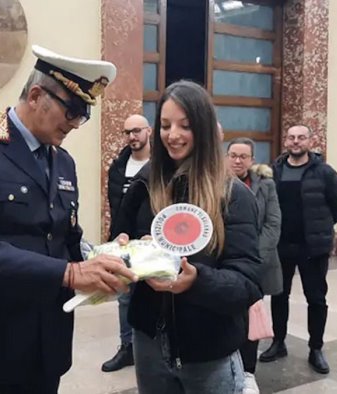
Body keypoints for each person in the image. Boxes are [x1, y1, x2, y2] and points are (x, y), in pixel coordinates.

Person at [0, 45, 137, 394]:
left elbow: (65, 237)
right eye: (71, 111)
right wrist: (69, 273)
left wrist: (106, 257)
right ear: (37, 95)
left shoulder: (63, 161)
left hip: (44, 345)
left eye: (82, 115)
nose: (75, 123)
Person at [112, 80, 263, 394]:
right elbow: (120, 240)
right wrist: (125, 255)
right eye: (165, 125)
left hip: (208, 349)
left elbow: (248, 284)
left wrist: (197, 281)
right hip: (148, 342)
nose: (173, 135)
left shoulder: (232, 195)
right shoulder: (144, 185)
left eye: (185, 125)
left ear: (205, 129)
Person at [259, 124, 337, 375]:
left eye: (301, 137)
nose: (296, 142)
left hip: (312, 248)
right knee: (278, 295)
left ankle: (315, 348)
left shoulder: (325, 173)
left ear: (310, 141)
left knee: (316, 298)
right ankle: (278, 342)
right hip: (281, 246)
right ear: (286, 141)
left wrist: (319, 230)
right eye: (291, 137)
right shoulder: (273, 172)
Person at [227, 137, 282, 394]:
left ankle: (248, 371)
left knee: (250, 318)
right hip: (223, 262)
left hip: (254, 264)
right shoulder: (215, 183)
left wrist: (251, 256)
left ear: (252, 160)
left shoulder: (266, 186)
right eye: (233, 155)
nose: (238, 160)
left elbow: (273, 223)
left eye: (243, 156)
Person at [102, 114, 152, 372]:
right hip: (123, 240)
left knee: (154, 292)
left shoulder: (160, 164)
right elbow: (116, 204)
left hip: (151, 240)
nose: (132, 136)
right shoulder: (119, 165)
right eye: (127, 132)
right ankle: (127, 348)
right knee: (124, 297)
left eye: (137, 131)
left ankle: (154, 349)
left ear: (148, 131)